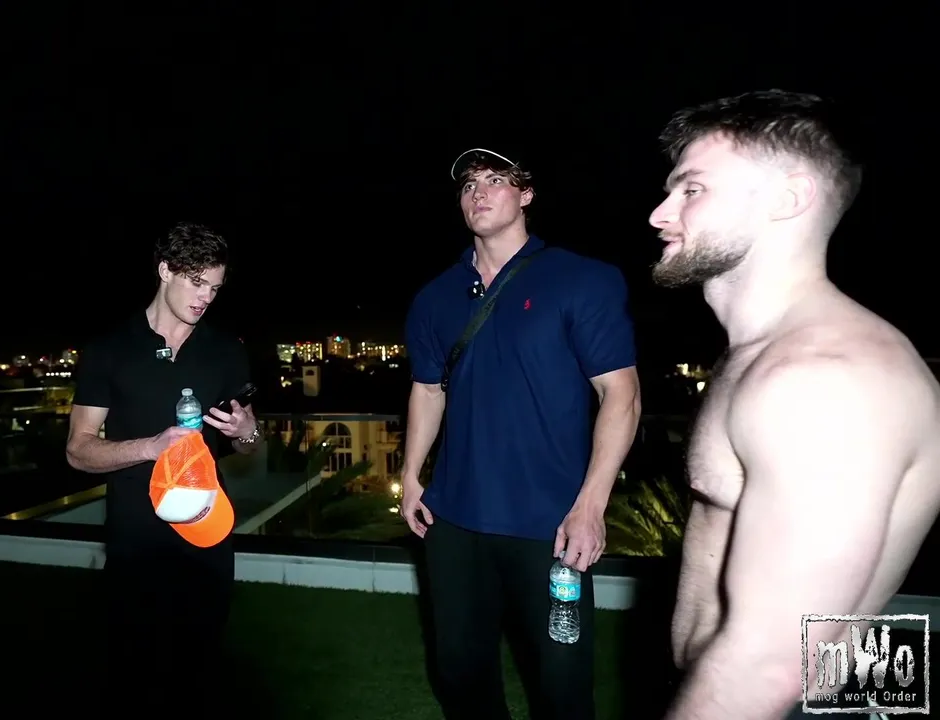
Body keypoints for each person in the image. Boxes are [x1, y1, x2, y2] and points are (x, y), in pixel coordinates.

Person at [649, 90, 940, 720]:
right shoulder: (761, 356)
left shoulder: (824, 379)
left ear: (788, 199)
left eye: (692, 189)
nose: (659, 213)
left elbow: (774, 665)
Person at [402, 148, 642, 720]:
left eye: (495, 180)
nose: (479, 192)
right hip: (455, 521)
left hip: (550, 525)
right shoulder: (435, 297)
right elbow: (427, 390)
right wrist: (410, 476)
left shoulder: (581, 280)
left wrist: (591, 506)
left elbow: (622, 394)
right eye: (468, 185)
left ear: (526, 194)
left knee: (562, 685)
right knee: (459, 675)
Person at [66, 222, 261, 715]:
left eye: (214, 287)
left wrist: (246, 431)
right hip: (135, 538)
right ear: (165, 270)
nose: (205, 298)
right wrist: (151, 447)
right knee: (134, 671)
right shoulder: (109, 350)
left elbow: (248, 446)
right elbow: (78, 450)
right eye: (197, 282)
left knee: (202, 670)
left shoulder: (226, 351)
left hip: (207, 533)